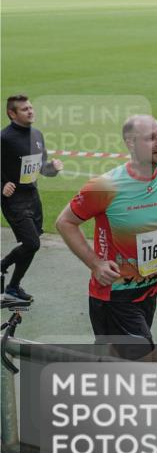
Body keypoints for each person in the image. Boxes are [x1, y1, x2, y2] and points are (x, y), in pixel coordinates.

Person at [55, 115, 157, 360]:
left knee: (118, 360)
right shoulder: (105, 186)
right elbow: (65, 222)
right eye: (150, 138)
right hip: (115, 296)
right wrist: (95, 263)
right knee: (147, 362)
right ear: (130, 143)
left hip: (149, 289)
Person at [1, 94, 63, 303]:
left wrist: (52, 169)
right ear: (12, 113)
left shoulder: (37, 135)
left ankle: (13, 287)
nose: (30, 111)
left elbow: (42, 168)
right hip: (14, 200)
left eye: (31, 107)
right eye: (24, 109)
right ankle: (2, 266)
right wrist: (2, 185)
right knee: (32, 243)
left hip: (33, 197)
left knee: (31, 246)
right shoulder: (4, 139)